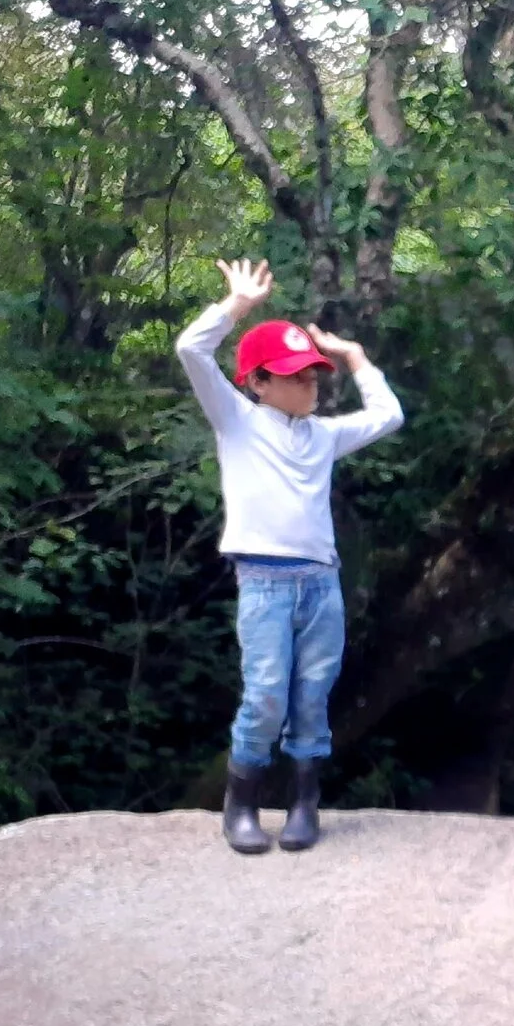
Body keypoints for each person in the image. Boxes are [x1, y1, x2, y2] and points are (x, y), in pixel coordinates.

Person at [175, 259, 403, 855]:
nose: (310, 385)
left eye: (313, 376)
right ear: (259, 382)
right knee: (267, 691)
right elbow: (191, 350)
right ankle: (241, 806)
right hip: (266, 582)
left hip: (320, 584)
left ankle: (305, 804)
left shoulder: (323, 435)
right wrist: (237, 306)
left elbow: (388, 416)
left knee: (313, 693)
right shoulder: (238, 422)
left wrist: (355, 360)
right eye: (296, 376)